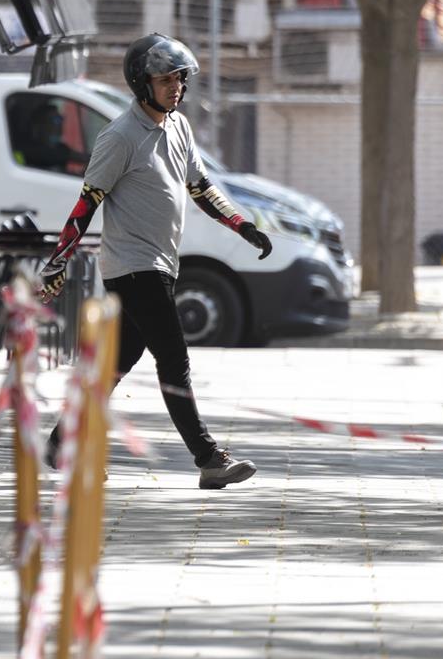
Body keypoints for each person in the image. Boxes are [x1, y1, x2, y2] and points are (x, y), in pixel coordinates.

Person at [37, 33, 269, 489]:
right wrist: (57, 262)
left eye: (180, 79)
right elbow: (87, 203)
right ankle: (208, 457)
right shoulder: (120, 136)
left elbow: (200, 188)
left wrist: (242, 225)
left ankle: (60, 443)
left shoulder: (178, 127)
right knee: (174, 358)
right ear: (141, 83)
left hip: (161, 263)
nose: (176, 88)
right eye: (165, 80)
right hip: (133, 267)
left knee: (118, 360)